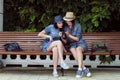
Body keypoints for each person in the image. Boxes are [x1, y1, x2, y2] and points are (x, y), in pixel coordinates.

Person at [63, 12, 91, 78]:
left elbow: (77, 39)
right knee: (73, 50)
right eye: (66, 20)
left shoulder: (78, 25)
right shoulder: (65, 27)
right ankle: (84, 68)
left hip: (80, 43)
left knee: (78, 49)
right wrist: (62, 37)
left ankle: (79, 69)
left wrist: (69, 35)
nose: (67, 22)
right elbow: (66, 41)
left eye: (68, 20)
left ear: (72, 20)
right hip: (71, 44)